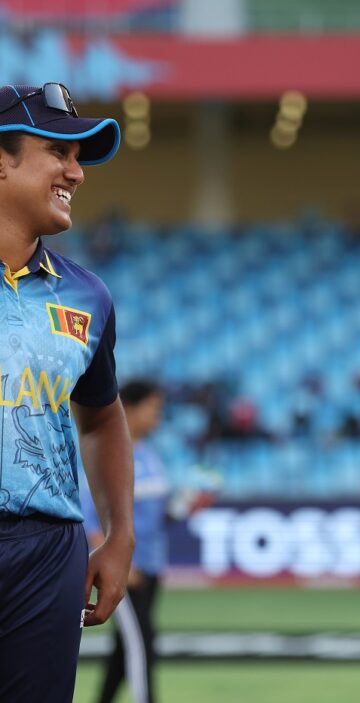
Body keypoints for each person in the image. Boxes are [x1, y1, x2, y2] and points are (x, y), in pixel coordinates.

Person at [0, 83, 135, 702]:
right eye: (58, 151)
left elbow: (102, 418)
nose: (76, 173)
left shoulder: (88, 296)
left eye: (79, 158)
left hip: (48, 554)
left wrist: (120, 533)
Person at [83, 380, 170, 703]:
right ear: (129, 408)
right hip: (126, 569)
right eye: (153, 408)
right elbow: (91, 517)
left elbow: (156, 515)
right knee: (141, 643)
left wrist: (184, 508)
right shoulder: (111, 452)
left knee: (125, 649)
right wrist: (118, 563)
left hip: (151, 566)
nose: (158, 417)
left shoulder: (150, 454)